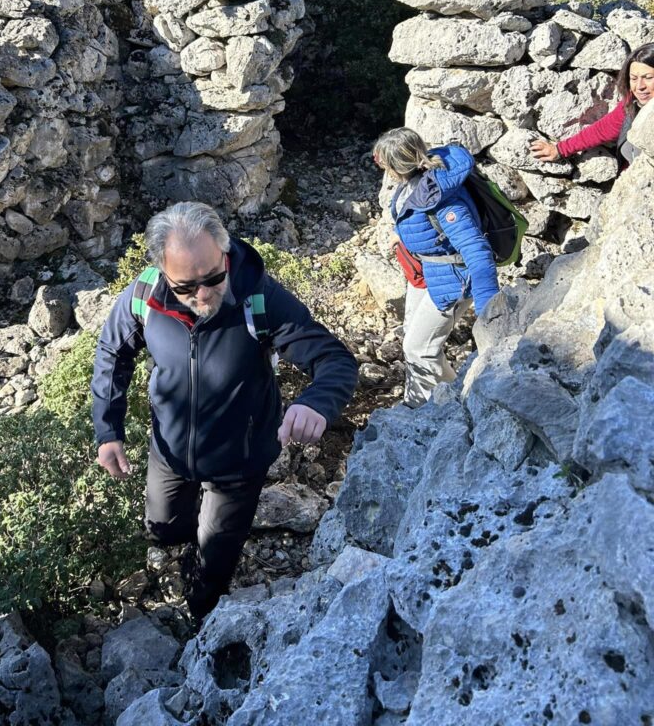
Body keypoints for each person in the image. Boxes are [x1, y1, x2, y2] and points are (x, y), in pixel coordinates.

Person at [90, 201, 357, 622]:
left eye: (214, 278)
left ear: (225, 253)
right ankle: (181, 552)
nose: (202, 294)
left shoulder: (258, 297)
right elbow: (112, 353)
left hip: (240, 459)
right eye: (185, 287)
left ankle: (202, 623)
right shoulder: (143, 296)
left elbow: (334, 360)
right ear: (162, 271)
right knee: (163, 528)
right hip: (170, 450)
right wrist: (108, 432)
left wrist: (315, 402)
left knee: (215, 557)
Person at [373, 128, 499, 409]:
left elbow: (477, 251)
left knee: (419, 349)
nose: (379, 165)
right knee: (413, 337)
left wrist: (489, 308)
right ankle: (439, 395)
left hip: (454, 280)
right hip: (431, 273)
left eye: (381, 161)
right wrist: (401, 235)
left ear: (396, 166)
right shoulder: (412, 184)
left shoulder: (444, 201)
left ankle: (434, 409)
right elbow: (415, 217)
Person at [530, 43, 654, 167]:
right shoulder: (632, 105)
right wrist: (560, 149)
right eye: (633, 78)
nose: (639, 86)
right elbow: (602, 130)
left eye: (648, 77)